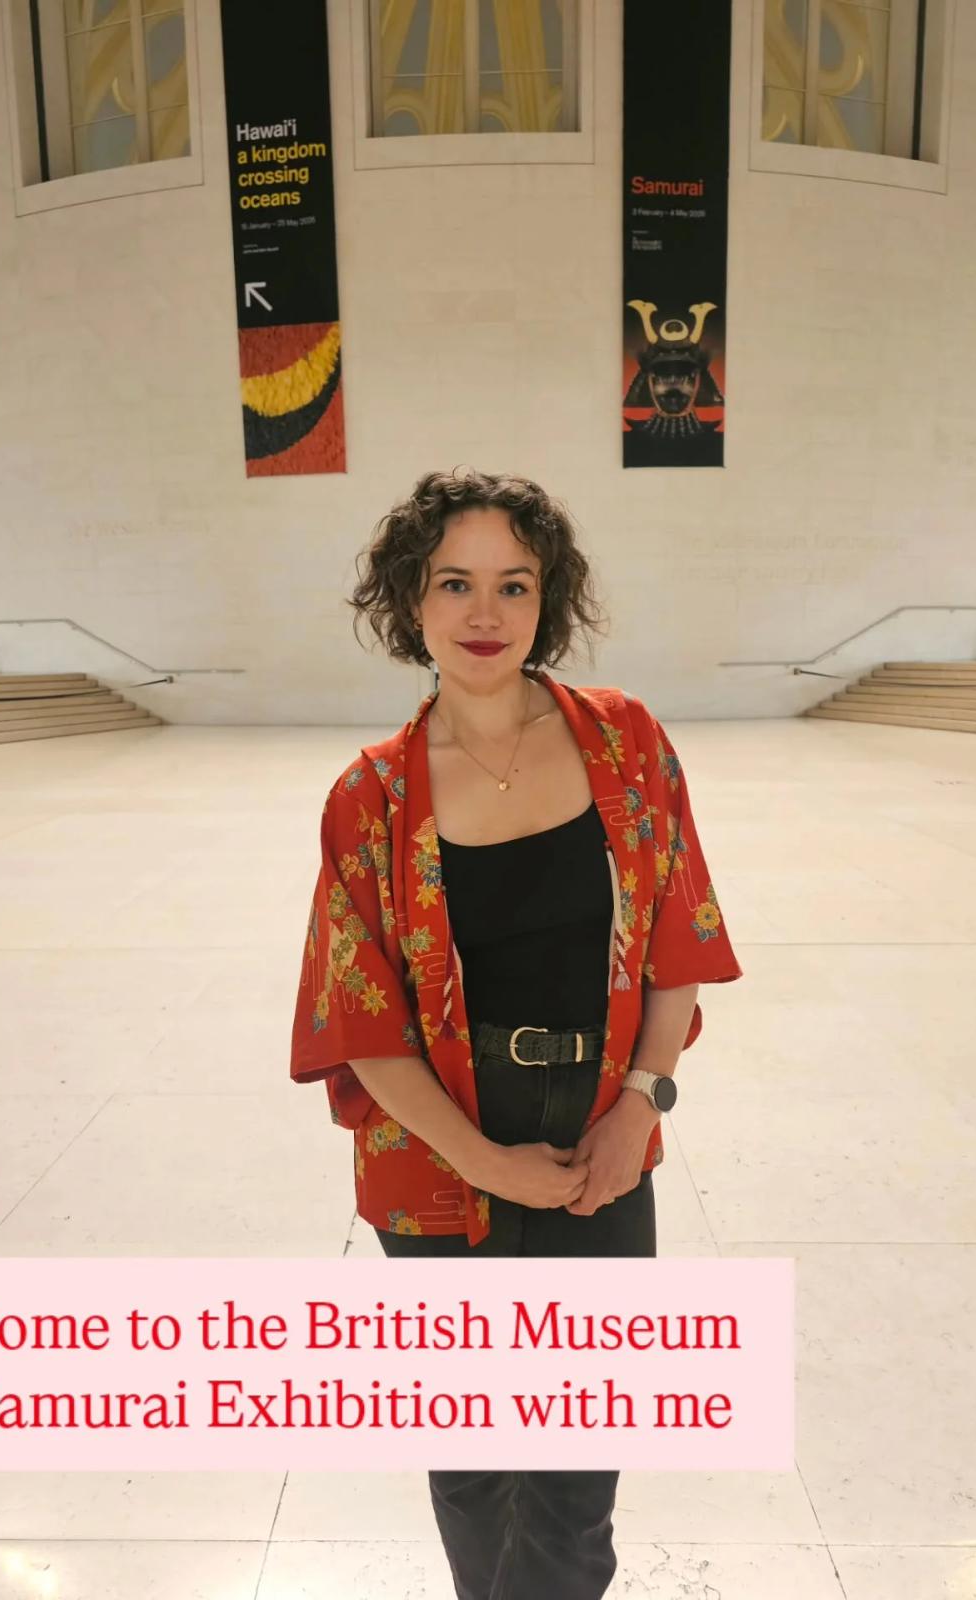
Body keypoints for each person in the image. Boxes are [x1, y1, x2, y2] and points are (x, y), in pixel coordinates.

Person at [289, 466, 743, 1600]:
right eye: (454, 583)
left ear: (550, 600)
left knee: (578, 1467)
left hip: (602, 1140)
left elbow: (679, 942)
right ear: (412, 602)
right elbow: (362, 1021)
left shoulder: (627, 744)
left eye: (513, 583)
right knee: (477, 1459)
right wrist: (481, 1158)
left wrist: (641, 1099)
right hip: (441, 1162)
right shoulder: (371, 800)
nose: (484, 614)